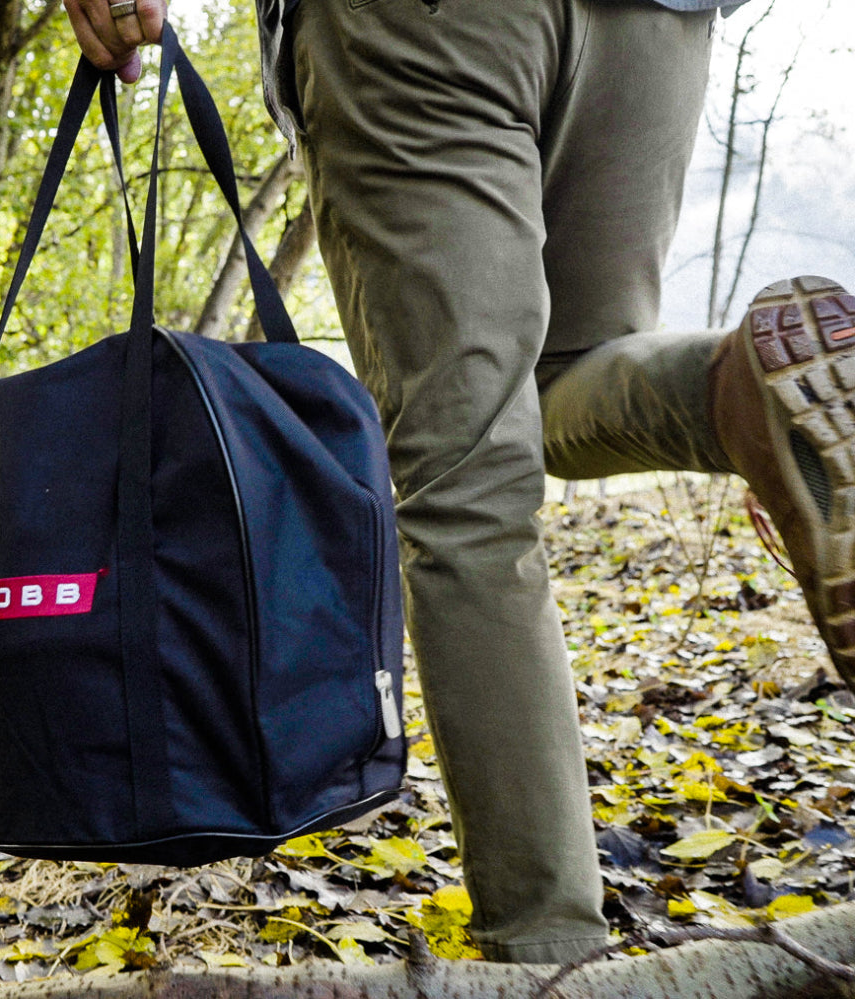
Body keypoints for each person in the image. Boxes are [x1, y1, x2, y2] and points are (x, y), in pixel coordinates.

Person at [64, 0, 855, 965]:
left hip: (420, 28)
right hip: (658, 27)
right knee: (572, 374)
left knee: (467, 485)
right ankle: (736, 392)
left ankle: (549, 951)